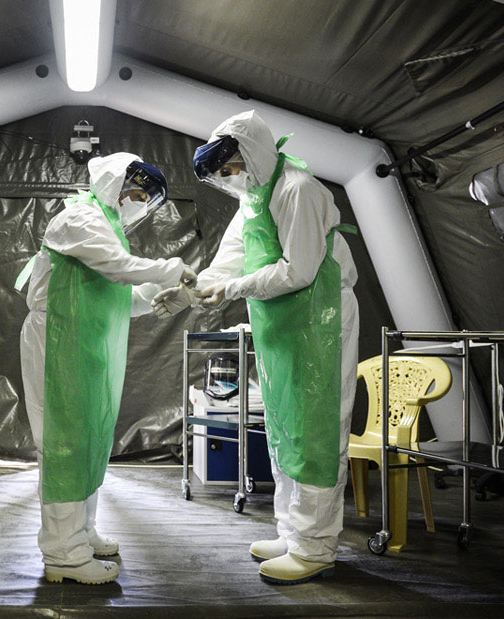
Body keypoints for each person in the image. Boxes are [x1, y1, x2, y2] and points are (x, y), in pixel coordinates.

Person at [153, 111, 359, 584]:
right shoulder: (253, 198)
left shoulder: (296, 189)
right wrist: (188, 293)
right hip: (283, 324)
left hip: (318, 318)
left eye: (230, 169)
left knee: (315, 432)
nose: (229, 179)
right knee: (284, 428)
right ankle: (292, 533)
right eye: (222, 175)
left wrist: (230, 291)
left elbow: (299, 270)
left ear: (252, 153)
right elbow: (228, 261)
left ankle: (315, 548)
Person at [18, 153, 197, 585]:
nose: (135, 203)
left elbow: (116, 294)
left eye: (144, 199)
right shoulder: (80, 217)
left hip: (89, 344)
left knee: (91, 439)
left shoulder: (110, 228)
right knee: (65, 444)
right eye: (134, 193)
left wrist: (153, 298)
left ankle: (81, 532)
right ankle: (63, 554)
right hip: (59, 339)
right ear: (115, 182)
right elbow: (118, 269)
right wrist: (171, 271)